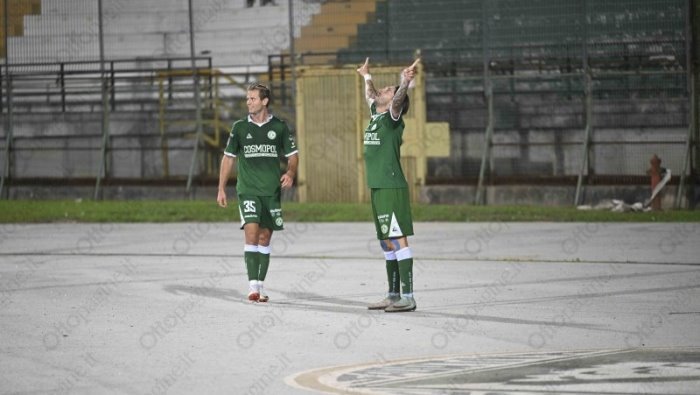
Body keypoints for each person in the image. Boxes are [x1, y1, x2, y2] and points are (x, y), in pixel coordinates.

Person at [217, 82, 298, 303]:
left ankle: (260, 287)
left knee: (264, 237)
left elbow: (292, 156)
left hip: (271, 192)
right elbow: (228, 158)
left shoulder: (279, 127)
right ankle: (252, 287)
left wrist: (290, 173)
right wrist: (221, 188)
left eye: (252, 98)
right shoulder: (239, 128)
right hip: (248, 191)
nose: (248, 102)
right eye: (247, 99)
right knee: (252, 233)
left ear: (265, 101)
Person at [356, 57, 419, 313]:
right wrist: (366, 76)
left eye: (389, 90)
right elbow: (371, 96)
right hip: (377, 186)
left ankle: (409, 296)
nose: (383, 90)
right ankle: (393, 294)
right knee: (386, 241)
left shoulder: (393, 117)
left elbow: (397, 98)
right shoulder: (376, 114)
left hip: (391, 186)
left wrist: (404, 82)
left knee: (397, 237)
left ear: (396, 102)